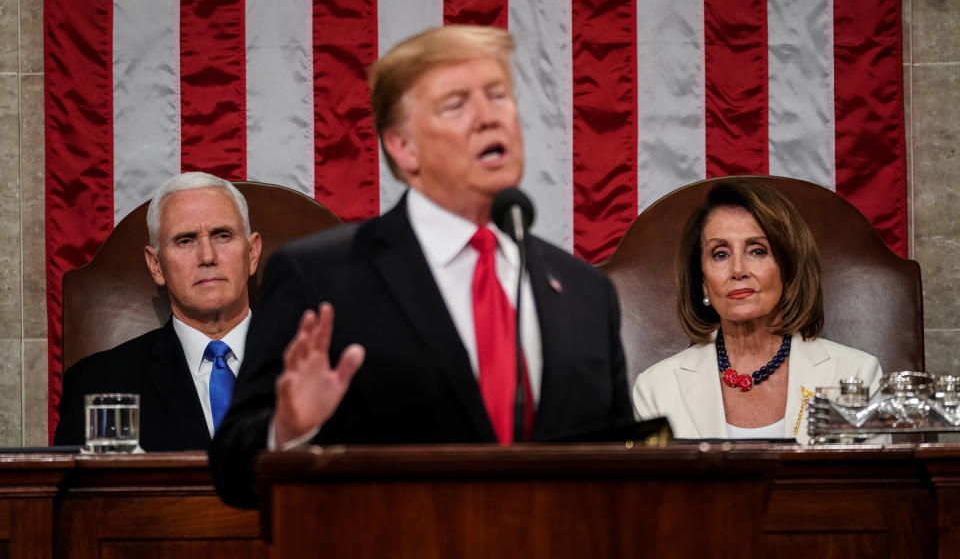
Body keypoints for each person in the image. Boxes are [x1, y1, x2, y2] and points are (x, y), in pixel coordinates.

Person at [211, 25, 633, 507]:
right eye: (456, 105)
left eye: (497, 96)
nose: (488, 118)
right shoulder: (322, 277)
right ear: (403, 147)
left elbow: (624, 462)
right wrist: (287, 430)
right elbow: (230, 471)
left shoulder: (586, 293)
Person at [632, 178, 882, 443]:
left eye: (757, 251)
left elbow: (870, 484)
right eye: (720, 254)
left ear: (788, 270)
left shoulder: (857, 374)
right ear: (703, 283)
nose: (738, 270)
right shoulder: (656, 389)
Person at [54, 172, 262, 451]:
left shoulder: (321, 364)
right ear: (156, 266)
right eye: (185, 240)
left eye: (222, 235)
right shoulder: (98, 384)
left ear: (251, 253)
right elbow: (87, 495)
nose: (208, 256)